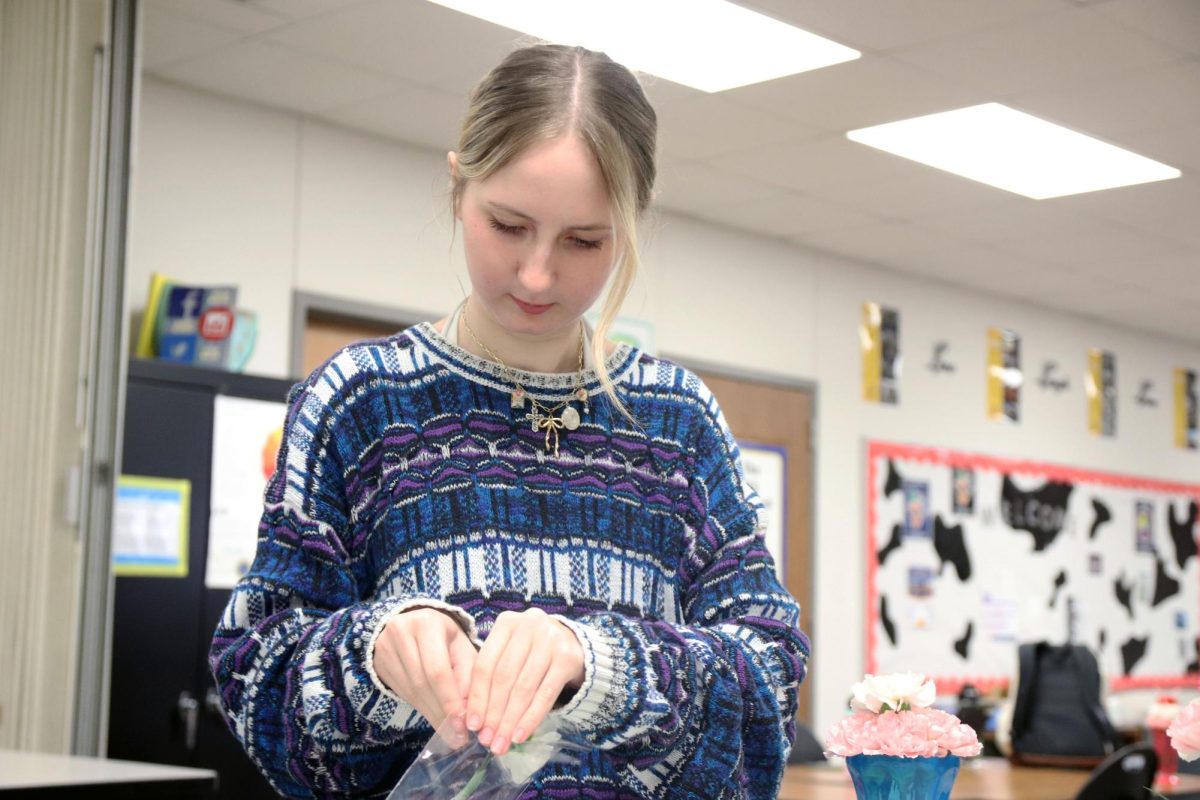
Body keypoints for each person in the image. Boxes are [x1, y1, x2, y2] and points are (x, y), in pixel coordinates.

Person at [209, 43, 810, 799]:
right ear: (460, 185)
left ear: (632, 224)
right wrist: (370, 656)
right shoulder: (359, 402)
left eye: (583, 241)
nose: (536, 274)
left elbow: (767, 685)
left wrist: (603, 668)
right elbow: (257, 672)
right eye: (508, 225)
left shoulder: (678, 424)